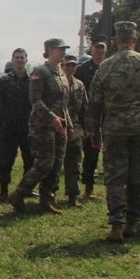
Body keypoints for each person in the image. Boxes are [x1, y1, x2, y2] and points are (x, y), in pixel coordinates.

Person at [86, 22, 140, 243]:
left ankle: (116, 225)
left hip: (115, 131)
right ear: (134, 40)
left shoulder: (105, 66)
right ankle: (131, 223)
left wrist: (95, 135)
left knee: (115, 178)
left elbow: (94, 104)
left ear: (116, 41)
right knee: (138, 177)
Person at [7, 38, 71, 215]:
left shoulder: (61, 73)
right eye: (61, 49)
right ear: (50, 50)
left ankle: (46, 200)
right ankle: (19, 194)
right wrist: (52, 118)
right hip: (42, 126)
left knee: (56, 165)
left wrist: (69, 125)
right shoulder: (40, 72)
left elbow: (64, 104)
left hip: (60, 127)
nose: (64, 53)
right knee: (45, 163)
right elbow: (35, 100)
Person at [0, 48, 35, 202]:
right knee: (6, 160)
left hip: (28, 127)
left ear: (26, 60)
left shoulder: (33, 80)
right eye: (16, 57)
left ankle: (26, 189)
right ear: (12, 59)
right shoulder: (4, 81)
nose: (19, 60)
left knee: (30, 159)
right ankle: (3, 192)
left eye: (22, 57)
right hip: (8, 127)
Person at [74, 36, 107, 200]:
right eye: (97, 47)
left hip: (109, 116)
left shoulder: (111, 66)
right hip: (89, 117)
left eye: (102, 47)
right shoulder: (82, 69)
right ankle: (89, 186)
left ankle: (112, 186)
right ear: (91, 48)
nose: (100, 50)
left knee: (111, 153)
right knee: (90, 152)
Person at [61, 53, 88, 208]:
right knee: (55, 164)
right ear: (62, 66)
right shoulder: (56, 81)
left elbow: (84, 108)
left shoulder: (80, 85)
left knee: (75, 164)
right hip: (58, 127)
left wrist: (86, 128)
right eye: (67, 65)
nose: (70, 68)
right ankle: (49, 194)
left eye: (73, 65)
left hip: (76, 128)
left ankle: (73, 196)